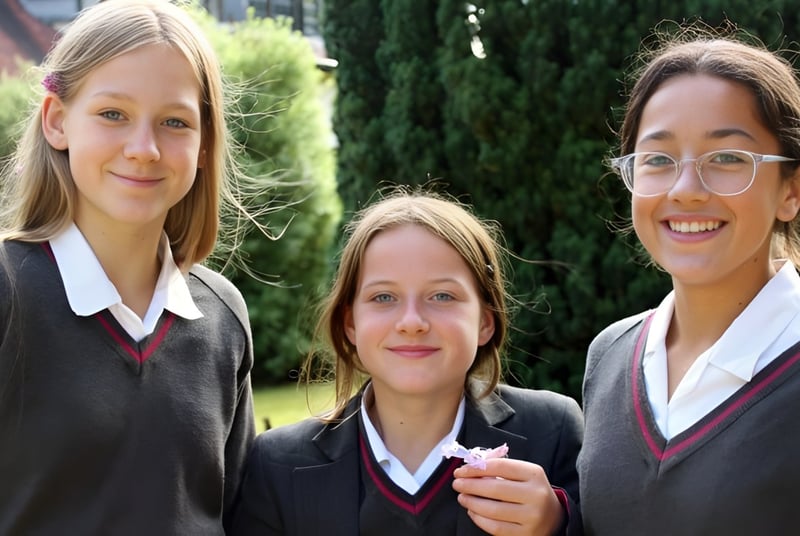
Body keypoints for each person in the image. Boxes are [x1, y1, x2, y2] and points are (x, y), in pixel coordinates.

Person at [0, 0, 260, 533]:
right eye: (113, 114)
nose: (144, 149)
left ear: (205, 143)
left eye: (174, 121)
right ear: (57, 121)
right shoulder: (6, 291)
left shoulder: (222, 315)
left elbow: (245, 516)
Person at [230, 189, 584, 535]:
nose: (412, 321)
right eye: (384, 297)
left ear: (485, 322)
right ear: (350, 322)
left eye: (442, 295)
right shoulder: (279, 464)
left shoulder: (551, 433)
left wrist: (556, 522)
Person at [578, 25, 800, 535]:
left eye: (726, 159)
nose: (686, 189)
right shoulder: (611, 355)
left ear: (790, 190)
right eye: (658, 159)